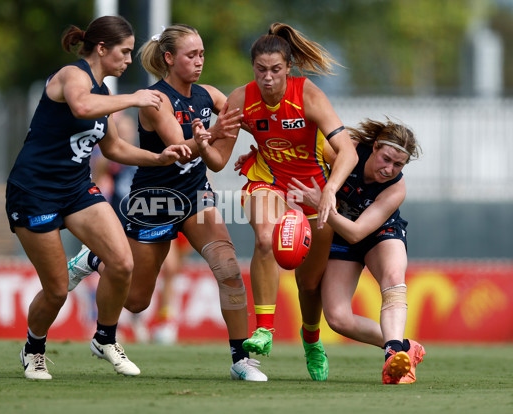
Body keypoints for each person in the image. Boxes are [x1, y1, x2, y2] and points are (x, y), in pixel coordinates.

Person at [67, 24, 268, 381]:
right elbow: (179, 148)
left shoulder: (208, 94)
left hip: (196, 196)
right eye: (192, 55)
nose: (200, 61)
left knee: (229, 271)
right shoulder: (154, 99)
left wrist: (275, 132)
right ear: (169, 58)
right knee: (136, 301)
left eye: (202, 53)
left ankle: (241, 360)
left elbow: (251, 119)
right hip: (155, 199)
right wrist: (220, 130)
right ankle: (95, 258)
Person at [6, 15, 190, 380]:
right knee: (57, 289)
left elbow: (116, 147)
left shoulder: (104, 94)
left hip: (75, 188)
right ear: (101, 48)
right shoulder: (73, 76)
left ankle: (105, 339)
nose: (128, 59)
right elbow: (81, 107)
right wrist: (135, 98)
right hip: (34, 191)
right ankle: (34, 349)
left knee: (122, 263)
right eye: (123, 52)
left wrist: (157, 157)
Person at [224, 23, 358, 381]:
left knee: (308, 284)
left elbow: (347, 152)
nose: (267, 78)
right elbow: (217, 158)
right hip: (267, 183)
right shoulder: (241, 98)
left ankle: (312, 341)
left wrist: (330, 191)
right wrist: (206, 143)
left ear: (288, 68)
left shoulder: (309, 95)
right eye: (260, 70)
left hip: (314, 194)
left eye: (275, 70)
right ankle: (264, 329)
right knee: (266, 238)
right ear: (252, 67)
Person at [287, 118, 426, 384]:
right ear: (374, 147)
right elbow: (301, 150)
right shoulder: (346, 151)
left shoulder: (396, 187)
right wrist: (260, 158)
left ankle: (393, 356)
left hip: (377, 233)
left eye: (398, 165)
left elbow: (357, 232)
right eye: (386, 159)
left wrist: (321, 205)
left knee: (393, 278)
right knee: (338, 319)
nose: (389, 169)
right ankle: (403, 346)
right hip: (340, 235)